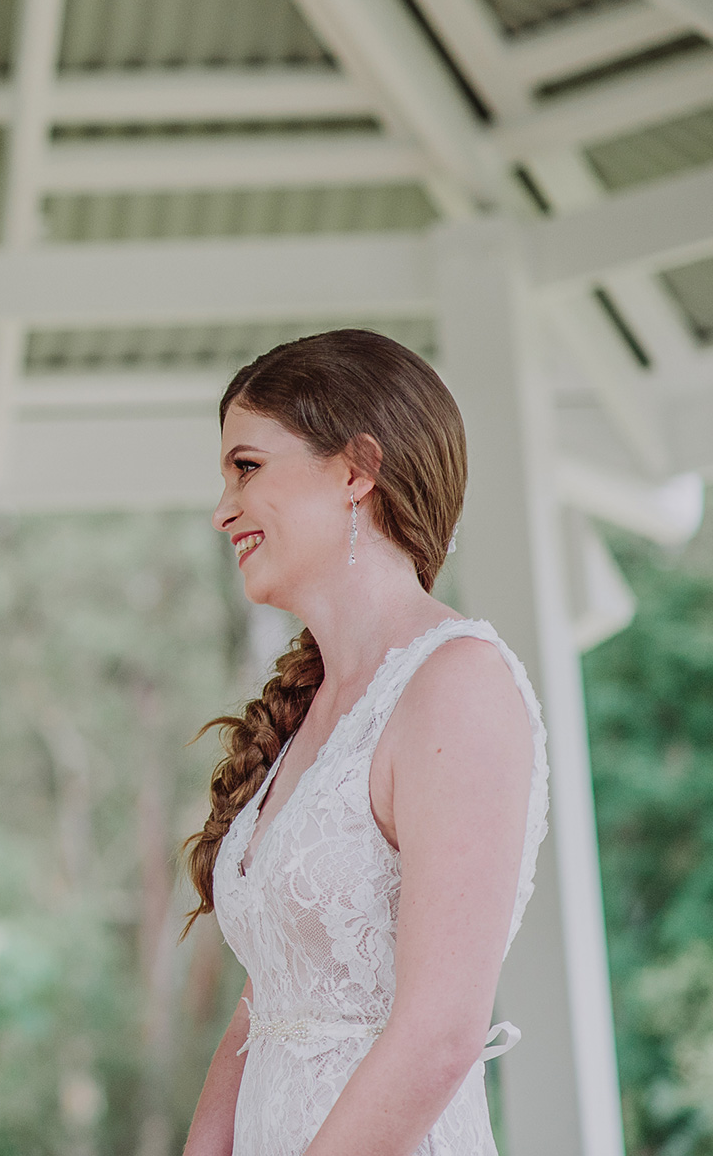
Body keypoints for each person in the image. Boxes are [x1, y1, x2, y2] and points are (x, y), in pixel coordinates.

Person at [179, 329, 548, 1156]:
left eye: (248, 467)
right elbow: (267, 995)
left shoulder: (457, 685)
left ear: (355, 469)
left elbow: (441, 1033)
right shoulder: (311, 710)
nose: (222, 508)